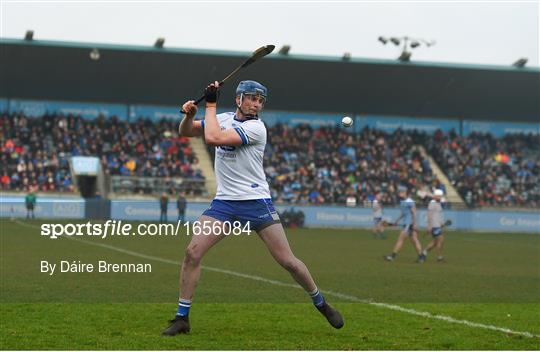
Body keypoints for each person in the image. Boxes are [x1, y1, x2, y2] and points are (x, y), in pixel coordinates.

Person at [162, 80, 343, 336]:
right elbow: (187, 131)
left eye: (260, 101)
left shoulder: (257, 128)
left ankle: (321, 303)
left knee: (288, 262)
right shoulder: (223, 118)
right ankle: (182, 318)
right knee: (192, 252)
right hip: (224, 204)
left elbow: (213, 137)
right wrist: (190, 115)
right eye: (251, 98)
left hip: (256, 202)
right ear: (238, 99)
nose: (256, 104)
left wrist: (210, 102)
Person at [384, 187, 425, 263]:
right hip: (407, 223)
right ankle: (421, 257)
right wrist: (396, 221)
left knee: (400, 239)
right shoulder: (402, 202)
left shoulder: (410, 201)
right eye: (399, 192)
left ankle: (392, 256)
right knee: (414, 240)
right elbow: (403, 213)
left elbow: (414, 212)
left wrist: (415, 224)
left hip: (409, 224)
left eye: (401, 192)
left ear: (405, 192)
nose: (399, 194)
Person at [422, 189, 446, 262]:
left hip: (437, 225)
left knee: (435, 242)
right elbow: (429, 215)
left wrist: (441, 223)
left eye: (440, 196)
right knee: (440, 240)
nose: (440, 197)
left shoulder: (438, 204)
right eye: (439, 196)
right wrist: (429, 226)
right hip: (434, 226)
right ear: (435, 196)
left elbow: (437, 215)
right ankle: (439, 257)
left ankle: (424, 252)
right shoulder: (432, 203)